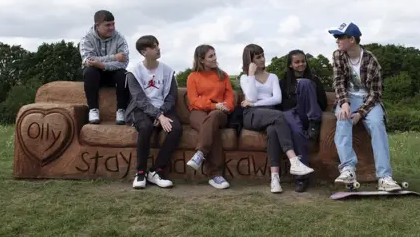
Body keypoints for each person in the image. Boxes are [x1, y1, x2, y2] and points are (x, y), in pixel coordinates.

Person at [327, 22, 401, 191]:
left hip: (368, 100)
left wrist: (360, 113)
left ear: (351, 39)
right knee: (342, 118)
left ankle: (385, 177)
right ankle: (348, 169)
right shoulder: (338, 55)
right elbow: (338, 82)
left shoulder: (371, 61)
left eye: (339, 37)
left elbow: (376, 94)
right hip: (348, 98)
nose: (336, 40)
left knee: (376, 124)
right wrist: (344, 103)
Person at [239, 44, 314, 193]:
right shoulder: (245, 78)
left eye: (262, 55)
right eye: (258, 57)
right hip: (252, 115)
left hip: (270, 114)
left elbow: (277, 99)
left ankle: (275, 179)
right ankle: (294, 161)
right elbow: (252, 95)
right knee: (280, 116)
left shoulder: (272, 77)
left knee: (273, 130)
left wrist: (254, 103)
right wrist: (251, 76)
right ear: (250, 60)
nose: (262, 59)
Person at [125, 35, 183, 189]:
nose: (158, 48)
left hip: (164, 108)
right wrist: (157, 115)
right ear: (144, 52)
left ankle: (156, 171)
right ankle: (141, 172)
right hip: (141, 109)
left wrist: (161, 113)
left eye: (157, 45)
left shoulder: (168, 71)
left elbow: (172, 96)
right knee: (145, 127)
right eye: (153, 46)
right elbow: (139, 100)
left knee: (175, 128)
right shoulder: (133, 72)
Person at [278, 49, 328, 192]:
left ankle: (314, 122)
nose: (301, 64)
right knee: (297, 132)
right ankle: (301, 178)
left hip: (308, 115)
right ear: (290, 65)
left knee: (305, 83)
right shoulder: (283, 83)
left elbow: (323, 103)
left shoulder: (314, 80)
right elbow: (281, 105)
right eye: (297, 62)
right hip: (292, 116)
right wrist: (296, 99)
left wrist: (307, 95)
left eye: (303, 61)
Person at [185, 44, 234, 189]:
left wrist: (225, 107)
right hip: (198, 112)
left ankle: (200, 153)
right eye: (211, 56)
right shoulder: (192, 77)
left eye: (214, 54)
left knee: (213, 119)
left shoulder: (222, 75)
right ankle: (216, 175)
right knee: (212, 131)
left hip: (220, 113)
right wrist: (214, 105)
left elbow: (230, 96)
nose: (215, 58)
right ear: (201, 60)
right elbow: (194, 100)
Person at [79, 10, 130, 125]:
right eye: (108, 25)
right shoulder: (86, 39)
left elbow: (124, 62)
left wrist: (101, 64)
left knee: (124, 74)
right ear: (97, 25)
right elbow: (88, 61)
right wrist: (114, 57)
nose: (112, 28)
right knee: (90, 72)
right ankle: (93, 110)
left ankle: (121, 110)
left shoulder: (120, 38)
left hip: (114, 74)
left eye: (113, 24)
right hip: (95, 76)